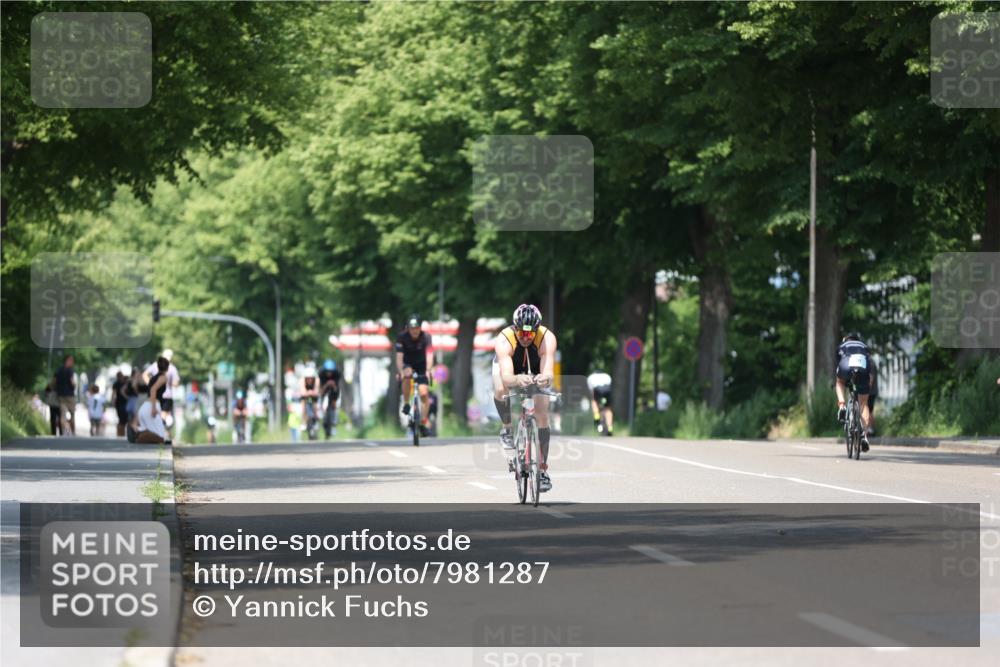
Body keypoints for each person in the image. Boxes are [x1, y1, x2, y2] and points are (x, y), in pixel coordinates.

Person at [493, 304, 557, 492]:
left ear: (537, 330)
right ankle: (507, 429)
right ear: (515, 328)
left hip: (536, 365)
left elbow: (548, 373)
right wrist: (516, 379)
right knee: (501, 389)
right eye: (522, 333)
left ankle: (542, 470)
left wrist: (544, 379)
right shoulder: (504, 339)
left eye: (530, 334)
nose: (526, 338)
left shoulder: (547, 338)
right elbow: (506, 376)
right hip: (510, 366)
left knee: (542, 413)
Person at [395, 314, 434, 437]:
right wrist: (401, 371)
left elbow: (429, 355)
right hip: (407, 364)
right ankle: (407, 403)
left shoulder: (426, 337)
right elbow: (399, 358)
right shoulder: (402, 337)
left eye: (416, 328)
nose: (414, 331)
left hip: (422, 366)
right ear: (408, 328)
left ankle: (423, 421)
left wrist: (428, 369)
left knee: (424, 393)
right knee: (407, 375)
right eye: (412, 328)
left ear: (420, 328)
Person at [835, 332, 873, 452]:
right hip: (863, 368)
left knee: (839, 382)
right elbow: (870, 369)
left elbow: (838, 364)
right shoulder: (864, 346)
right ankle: (864, 437)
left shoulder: (841, 346)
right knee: (863, 404)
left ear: (845, 339)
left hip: (847, 364)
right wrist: (867, 388)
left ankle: (842, 405)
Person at [135, 357, 171, 444]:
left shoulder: (152, 378)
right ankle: (140, 437)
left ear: (158, 367)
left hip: (144, 407)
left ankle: (140, 433)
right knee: (161, 438)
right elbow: (153, 390)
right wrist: (153, 408)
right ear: (167, 368)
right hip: (151, 406)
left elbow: (150, 388)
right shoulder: (163, 377)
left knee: (157, 433)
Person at [144, 349, 180, 434]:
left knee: (158, 417)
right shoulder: (171, 369)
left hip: (158, 396)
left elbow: (145, 375)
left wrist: (150, 384)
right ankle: (159, 434)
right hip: (164, 396)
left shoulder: (156, 367)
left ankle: (159, 434)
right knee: (161, 418)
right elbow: (176, 383)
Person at [53, 355, 76, 436]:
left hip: (61, 395)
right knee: (72, 414)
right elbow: (72, 382)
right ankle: (72, 432)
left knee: (63, 415)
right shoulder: (70, 370)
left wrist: (56, 389)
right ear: (68, 360)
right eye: (72, 360)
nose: (73, 362)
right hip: (70, 395)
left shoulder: (58, 370)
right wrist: (74, 386)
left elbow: (54, 381)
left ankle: (64, 432)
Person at [318, 359, 341, 438]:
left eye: (331, 371)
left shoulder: (337, 374)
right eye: (327, 371)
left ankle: (334, 423)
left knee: (334, 404)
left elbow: (336, 389)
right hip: (324, 390)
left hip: (334, 392)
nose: (329, 373)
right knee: (320, 402)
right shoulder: (321, 374)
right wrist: (327, 385)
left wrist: (333, 385)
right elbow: (321, 390)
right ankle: (320, 417)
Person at [587, 370, 613, 435]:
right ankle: (610, 427)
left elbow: (591, 391)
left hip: (597, 389)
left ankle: (596, 416)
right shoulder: (607, 376)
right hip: (607, 390)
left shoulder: (591, 377)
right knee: (608, 408)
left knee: (594, 400)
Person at [299, 366, 320, 434]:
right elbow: (302, 392)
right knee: (303, 406)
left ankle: (316, 421)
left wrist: (311, 393)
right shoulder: (302, 380)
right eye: (308, 378)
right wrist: (308, 393)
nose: (309, 380)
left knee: (315, 406)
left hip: (313, 396)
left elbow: (316, 391)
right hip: (305, 396)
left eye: (311, 378)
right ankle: (303, 422)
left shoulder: (317, 380)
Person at [111, 371, 129, 437]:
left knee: (122, 420)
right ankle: (120, 433)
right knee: (122, 420)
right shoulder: (123, 383)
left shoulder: (117, 383)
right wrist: (113, 401)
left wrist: (113, 401)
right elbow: (114, 394)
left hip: (120, 403)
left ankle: (120, 433)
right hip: (121, 403)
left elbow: (113, 394)